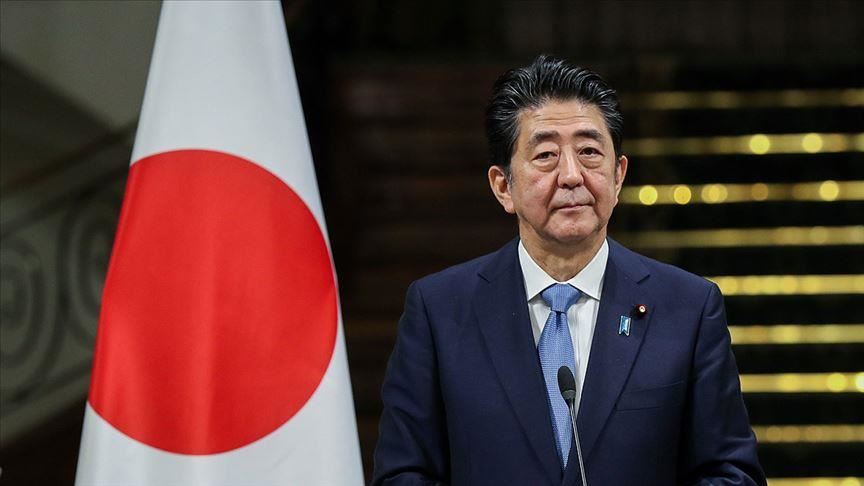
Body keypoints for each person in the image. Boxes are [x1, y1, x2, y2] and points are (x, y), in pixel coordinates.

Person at [372, 55, 765, 486]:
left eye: (589, 152)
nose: (572, 176)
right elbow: (403, 474)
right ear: (503, 186)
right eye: (545, 155)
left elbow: (732, 473)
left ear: (618, 175)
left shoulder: (688, 308)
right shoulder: (440, 311)